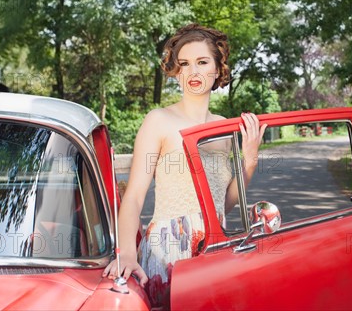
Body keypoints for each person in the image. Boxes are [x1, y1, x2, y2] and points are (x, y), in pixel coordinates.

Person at [102, 24, 267, 307]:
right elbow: (135, 195)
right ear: (176, 71)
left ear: (218, 69)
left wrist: (249, 159)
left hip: (215, 247)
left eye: (202, 62)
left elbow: (222, 203)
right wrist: (127, 252)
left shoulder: (224, 128)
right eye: (184, 64)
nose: (193, 71)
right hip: (167, 250)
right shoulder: (158, 120)